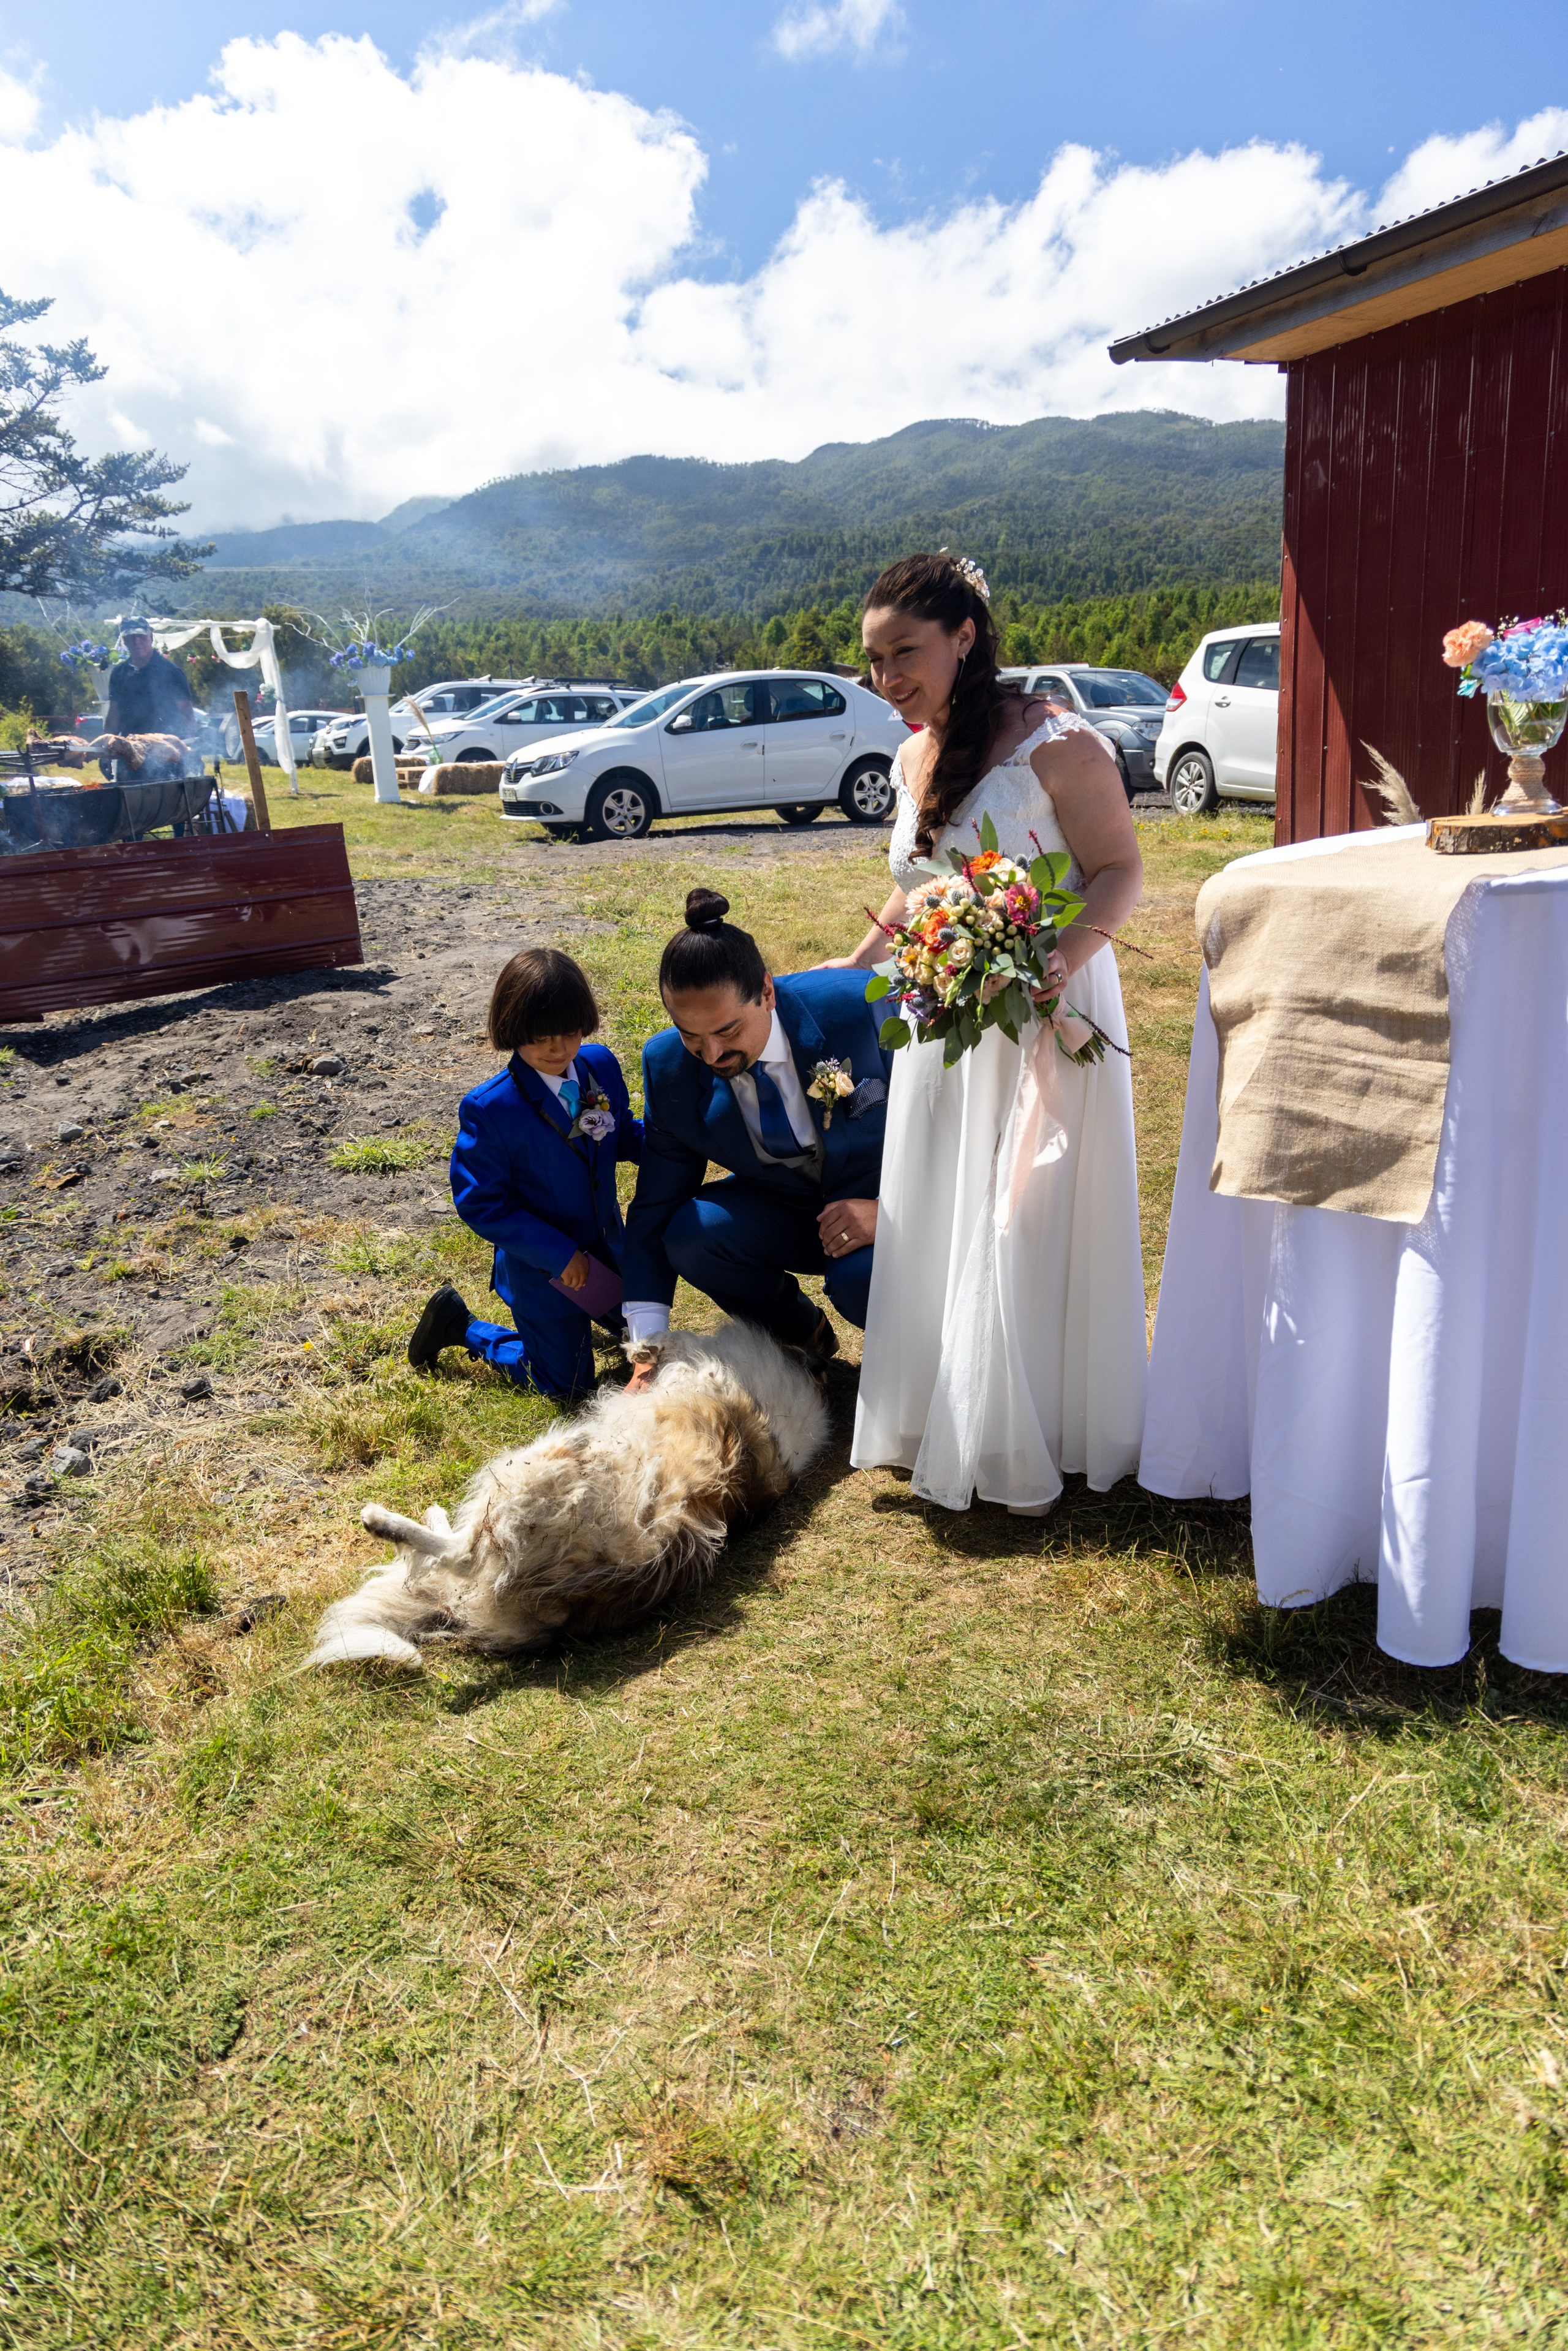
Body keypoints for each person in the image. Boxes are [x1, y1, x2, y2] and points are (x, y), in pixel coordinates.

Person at [824, 551, 1148, 1514]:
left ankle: (1042, 1418)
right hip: (944, 1019)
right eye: (874, 662)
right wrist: (852, 966)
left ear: (966, 637)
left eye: (905, 654)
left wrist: (1061, 957)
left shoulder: (1058, 742)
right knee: (947, 1198)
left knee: (1031, 1208)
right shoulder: (910, 754)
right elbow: (919, 882)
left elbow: (1119, 870)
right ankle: (948, 1407)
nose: (889, 681)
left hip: (1049, 1006)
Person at [620, 889, 892, 1366]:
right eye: (691, 1036)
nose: (712, 1056)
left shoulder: (860, 1007)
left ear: (767, 992)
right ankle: (800, 1337)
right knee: (690, 1233)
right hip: (784, 1212)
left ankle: (930, 1359)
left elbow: (953, 1129)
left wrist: (890, 1213)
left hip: (882, 1205)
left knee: (862, 1280)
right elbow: (654, 1207)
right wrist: (647, 1349)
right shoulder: (667, 1068)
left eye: (727, 1031)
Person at [407, 947, 641, 1400]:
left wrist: (684, 1144)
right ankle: (460, 1325)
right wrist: (558, 1254)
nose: (559, 1050)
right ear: (512, 1030)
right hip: (547, 1273)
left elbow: (625, 1135)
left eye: (570, 1033)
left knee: (646, 1333)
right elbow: (481, 1203)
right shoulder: (492, 1108)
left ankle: (601, 1315)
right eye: (542, 1038)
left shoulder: (601, 1066)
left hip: (609, 1252)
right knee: (569, 1389)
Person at [104, 620, 196, 739]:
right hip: (131, 748)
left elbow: (187, 714)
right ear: (124, 641)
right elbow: (113, 715)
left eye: (141, 636)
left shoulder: (172, 672)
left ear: (151, 638)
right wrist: (105, 748)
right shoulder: (119, 673)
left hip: (166, 749)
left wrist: (190, 749)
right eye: (131, 637)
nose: (137, 641)